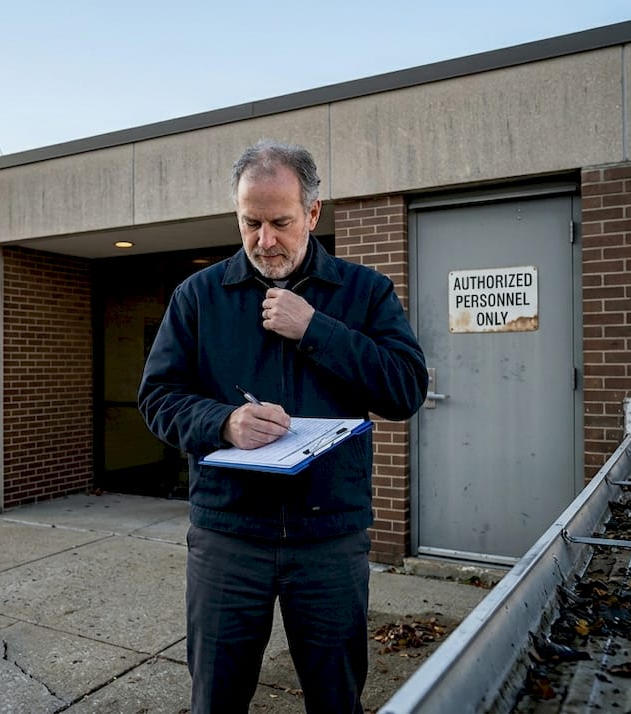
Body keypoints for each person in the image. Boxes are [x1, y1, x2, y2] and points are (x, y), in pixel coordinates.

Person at [138, 139, 428, 713]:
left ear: (314, 214)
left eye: (280, 222)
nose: (264, 241)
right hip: (228, 537)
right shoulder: (198, 297)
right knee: (216, 698)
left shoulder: (364, 292)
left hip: (329, 539)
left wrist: (316, 329)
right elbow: (158, 397)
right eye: (250, 223)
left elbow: (405, 390)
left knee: (334, 698)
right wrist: (224, 422)